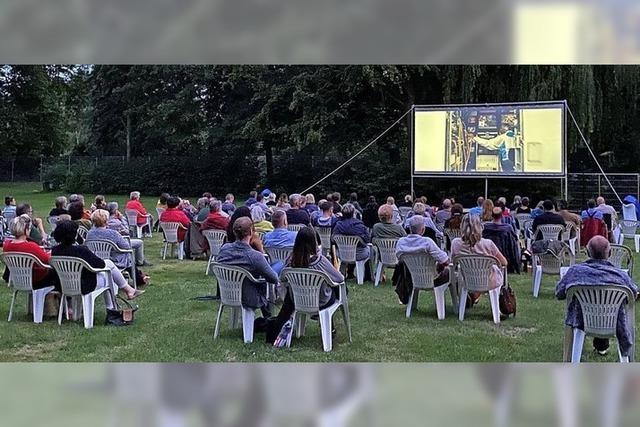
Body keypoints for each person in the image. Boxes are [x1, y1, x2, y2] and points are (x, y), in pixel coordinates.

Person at [556, 235, 638, 357]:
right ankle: (602, 346)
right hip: (613, 320)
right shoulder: (621, 276)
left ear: (587, 252)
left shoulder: (575, 272)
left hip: (580, 320)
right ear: (609, 253)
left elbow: (559, 293)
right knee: (606, 305)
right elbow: (633, 295)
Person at [51, 220, 142, 315]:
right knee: (108, 272)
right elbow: (100, 265)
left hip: (63, 285)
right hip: (84, 285)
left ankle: (127, 292)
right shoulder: (81, 250)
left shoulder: (55, 251)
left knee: (108, 265)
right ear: (74, 235)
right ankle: (112, 308)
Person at [270, 226, 345, 339]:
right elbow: (339, 278)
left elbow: (282, 278)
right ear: (314, 241)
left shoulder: (291, 261)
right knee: (339, 288)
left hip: (297, 299)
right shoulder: (320, 261)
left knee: (289, 299)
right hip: (320, 300)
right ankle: (329, 328)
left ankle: (275, 332)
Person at [216, 217, 279, 318]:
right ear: (251, 231)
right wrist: (261, 249)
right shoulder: (254, 256)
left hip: (227, 294)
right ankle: (269, 319)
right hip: (248, 298)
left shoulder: (224, 249)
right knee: (273, 271)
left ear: (234, 232)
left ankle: (268, 319)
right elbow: (274, 278)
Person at [85, 209, 150, 285]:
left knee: (126, 256)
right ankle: (138, 279)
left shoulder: (89, 234)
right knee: (128, 256)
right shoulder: (113, 234)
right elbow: (127, 247)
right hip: (113, 261)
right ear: (106, 221)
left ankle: (138, 276)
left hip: (96, 260)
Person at [451, 215, 508, 293]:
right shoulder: (488, 243)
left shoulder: (455, 243)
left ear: (462, 226)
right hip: (489, 281)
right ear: (479, 226)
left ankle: (472, 296)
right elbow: (504, 262)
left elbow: (453, 262)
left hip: (466, 280)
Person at [2, 214, 58, 292]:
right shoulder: (30, 246)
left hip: (18, 279)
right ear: (26, 230)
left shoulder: (7, 245)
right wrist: (50, 252)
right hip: (36, 279)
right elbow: (48, 260)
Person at [482, 207, 521, 273]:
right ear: (502, 216)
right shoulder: (508, 228)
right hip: (504, 258)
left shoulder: (485, 227)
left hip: (488, 258)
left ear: (492, 215)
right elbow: (513, 246)